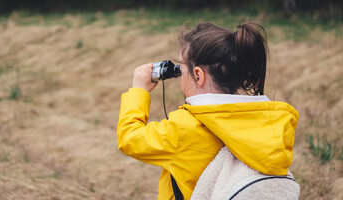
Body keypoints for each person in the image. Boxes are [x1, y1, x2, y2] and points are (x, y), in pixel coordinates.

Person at [117, 22, 299, 200]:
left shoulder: (183, 128)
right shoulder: (264, 122)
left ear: (198, 75)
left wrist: (139, 90)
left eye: (182, 69)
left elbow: (129, 138)